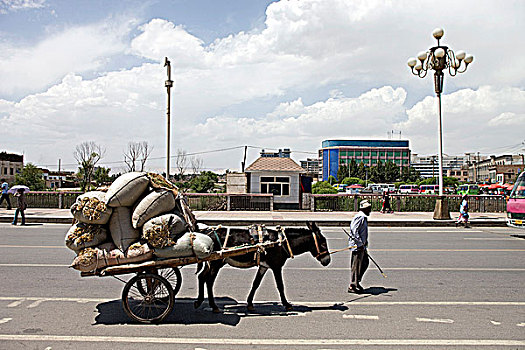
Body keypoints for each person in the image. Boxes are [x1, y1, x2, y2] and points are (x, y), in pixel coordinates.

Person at [348, 199, 372, 293]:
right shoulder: (360, 217)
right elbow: (354, 231)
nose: (370, 211)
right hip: (357, 246)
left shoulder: (363, 217)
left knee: (364, 263)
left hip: (362, 245)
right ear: (365, 209)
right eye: (369, 208)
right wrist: (359, 244)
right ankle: (353, 285)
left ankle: (357, 282)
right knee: (356, 265)